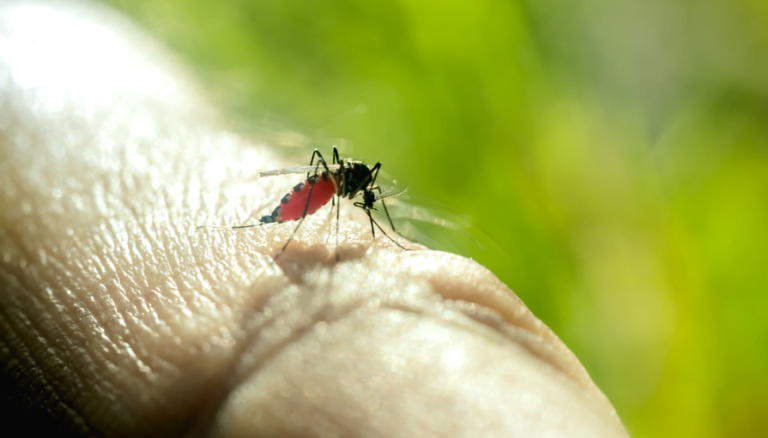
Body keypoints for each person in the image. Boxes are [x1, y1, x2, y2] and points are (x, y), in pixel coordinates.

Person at [0, 2, 629, 436]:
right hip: (304, 205)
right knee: (329, 177)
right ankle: (284, 215)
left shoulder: (357, 186)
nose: (369, 193)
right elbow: (336, 179)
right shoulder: (338, 188)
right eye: (366, 192)